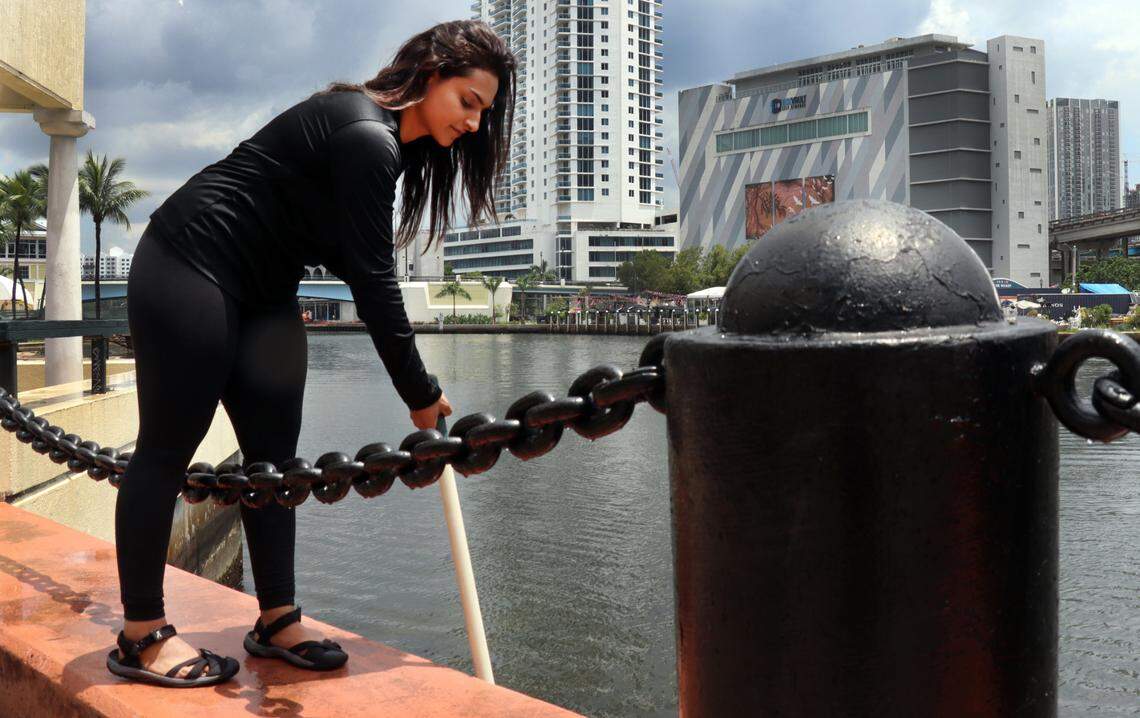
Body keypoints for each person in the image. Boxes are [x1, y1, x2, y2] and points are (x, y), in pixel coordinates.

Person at [106, 19, 515, 687]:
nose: (473, 124)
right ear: (430, 73)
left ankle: (276, 618)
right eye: (467, 102)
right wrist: (419, 390)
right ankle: (141, 634)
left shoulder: (393, 151)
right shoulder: (366, 136)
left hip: (265, 293)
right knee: (165, 448)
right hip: (190, 263)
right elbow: (373, 282)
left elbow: (332, 241)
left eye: (484, 113)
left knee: (274, 461)